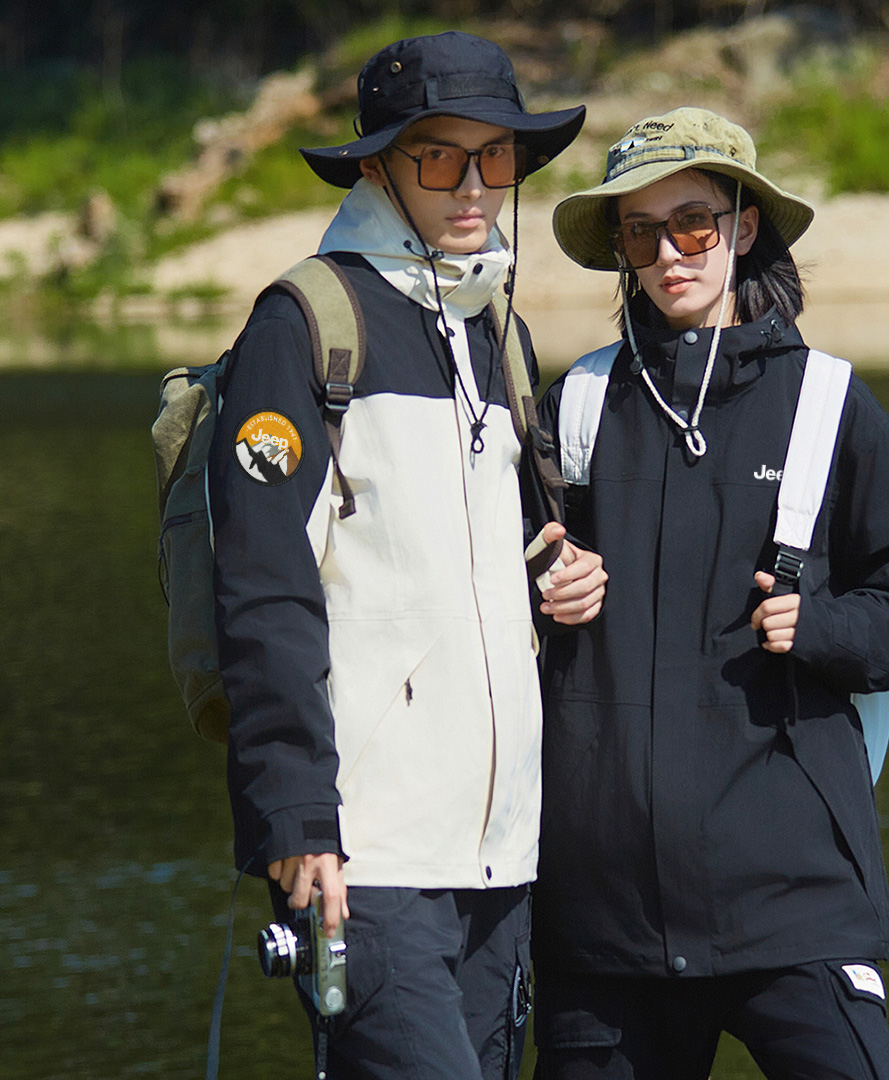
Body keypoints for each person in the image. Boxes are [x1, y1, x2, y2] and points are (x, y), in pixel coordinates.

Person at [527, 107, 889, 1080]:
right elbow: (492, 589)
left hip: (794, 903)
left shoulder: (830, 403)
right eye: (642, 232)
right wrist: (541, 583)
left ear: (744, 225)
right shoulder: (575, 406)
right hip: (603, 920)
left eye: (693, 224)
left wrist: (821, 624)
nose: (668, 254)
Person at [208, 32, 606, 1080]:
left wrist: (557, 575)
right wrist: (297, 818)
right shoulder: (304, 325)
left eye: (496, 157)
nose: (473, 186)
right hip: (366, 852)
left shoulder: (497, 330)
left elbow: (482, 560)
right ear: (379, 166)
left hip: (501, 852)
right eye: (440, 158)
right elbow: (263, 592)